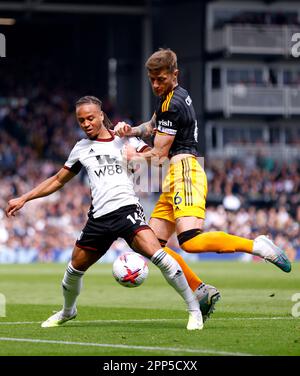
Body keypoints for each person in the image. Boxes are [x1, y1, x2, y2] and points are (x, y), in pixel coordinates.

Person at [5, 95, 204, 330]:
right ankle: (68, 311)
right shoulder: (80, 149)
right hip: (99, 218)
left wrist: (135, 150)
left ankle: (194, 310)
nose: (86, 123)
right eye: (81, 120)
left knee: (160, 256)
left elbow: (157, 159)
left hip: (127, 210)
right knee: (73, 270)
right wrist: (25, 198)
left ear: (101, 116)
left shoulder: (123, 139)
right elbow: (58, 180)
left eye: (90, 118)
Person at [114, 48, 292, 282]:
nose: (156, 85)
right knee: (151, 247)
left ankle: (256, 246)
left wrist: (132, 157)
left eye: (161, 79)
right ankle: (200, 290)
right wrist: (131, 130)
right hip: (175, 174)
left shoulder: (172, 104)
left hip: (186, 172)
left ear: (174, 74)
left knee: (190, 240)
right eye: (152, 80)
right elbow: (151, 125)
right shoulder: (170, 98)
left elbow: (158, 155)